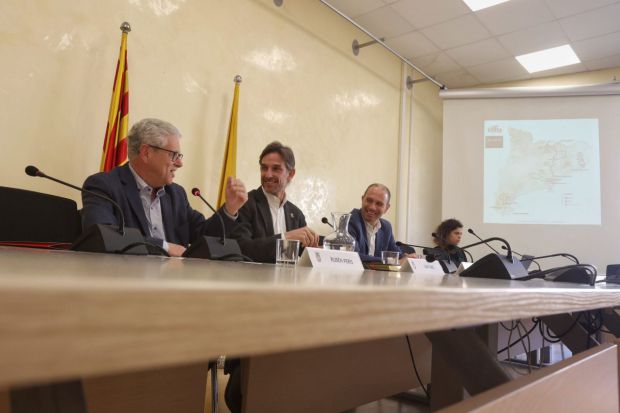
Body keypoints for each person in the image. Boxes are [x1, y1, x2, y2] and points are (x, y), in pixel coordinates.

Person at [81, 118, 248, 257]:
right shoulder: (103, 186)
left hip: (175, 284)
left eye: (179, 156)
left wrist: (229, 210)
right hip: (125, 283)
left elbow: (203, 236)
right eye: (174, 155)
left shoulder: (176, 194)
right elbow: (104, 236)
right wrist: (165, 247)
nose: (180, 163)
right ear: (146, 152)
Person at [235, 141, 319, 263]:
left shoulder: (296, 214)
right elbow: (241, 249)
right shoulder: (245, 204)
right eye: (264, 168)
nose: (268, 175)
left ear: (291, 174)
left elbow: (302, 255)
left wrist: (316, 249)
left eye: (276, 169)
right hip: (253, 280)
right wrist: (285, 238)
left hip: (288, 280)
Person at [348, 183, 416, 263]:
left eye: (379, 204)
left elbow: (395, 254)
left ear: (386, 208)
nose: (372, 207)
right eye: (369, 200)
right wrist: (393, 261)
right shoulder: (349, 221)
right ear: (362, 199)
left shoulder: (386, 227)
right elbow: (353, 256)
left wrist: (408, 257)